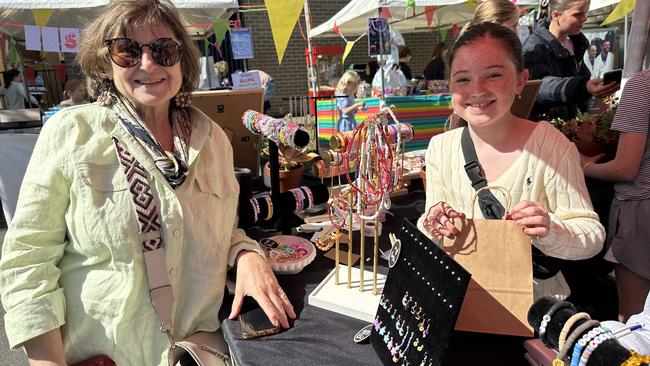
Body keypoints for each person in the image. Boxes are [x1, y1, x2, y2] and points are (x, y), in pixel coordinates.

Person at [0, 1, 295, 365]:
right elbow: (28, 260)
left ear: (182, 59)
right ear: (105, 61)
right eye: (126, 50)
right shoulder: (71, 134)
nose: (148, 64)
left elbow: (218, 228)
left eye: (163, 49)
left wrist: (246, 254)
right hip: (107, 357)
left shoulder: (213, 138)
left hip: (197, 354)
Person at [417, 22, 605, 300]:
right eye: (463, 79)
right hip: (460, 301)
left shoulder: (550, 146)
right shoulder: (439, 148)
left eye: (493, 75)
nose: (477, 90)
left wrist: (549, 229)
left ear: (520, 80)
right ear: (450, 87)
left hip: (534, 305)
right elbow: (430, 220)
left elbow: (592, 236)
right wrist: (433, 223)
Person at [581, 68, 650, 322]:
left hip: (640, 210)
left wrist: (585, 166)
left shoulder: (642, 86)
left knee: (635, 324)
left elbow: (625, 168)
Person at [522, 0, 619, 122]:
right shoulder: (534, 47)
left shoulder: (576, 44)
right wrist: (584, 87)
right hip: (546, 128)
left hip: (569, 125)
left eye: (586, 13)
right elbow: (539, 87)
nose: (584, 19)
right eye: (578, 14)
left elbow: (583, 82)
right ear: (556, 15)